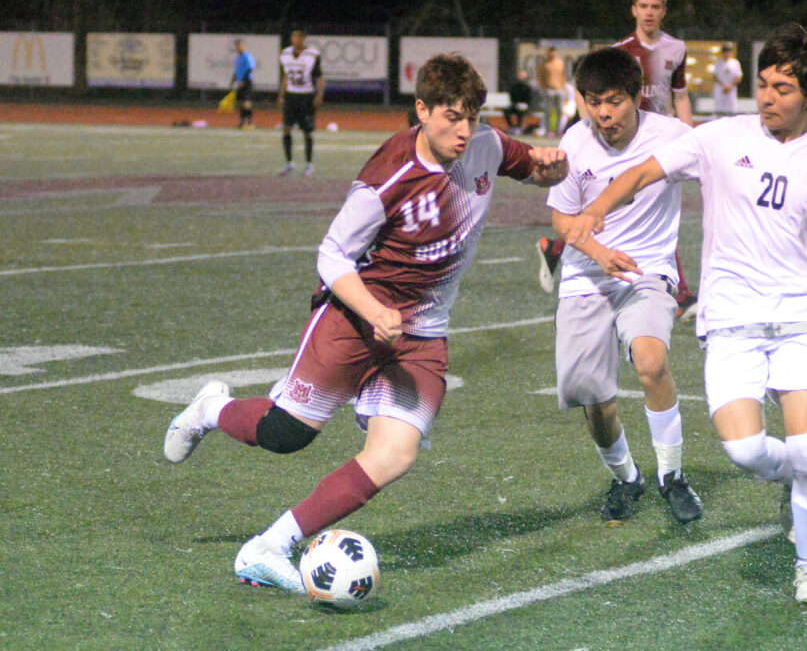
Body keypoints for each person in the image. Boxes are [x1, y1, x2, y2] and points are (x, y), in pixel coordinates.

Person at [164, 53, 568, 594]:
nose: (465, 130)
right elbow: (332, 257)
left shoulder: (484, 144)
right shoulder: (388, 177)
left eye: (472, 115)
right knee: (287, 435)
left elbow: (528, 164)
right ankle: (211, 408)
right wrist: (375, 310)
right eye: (452, 116)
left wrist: (552, 169)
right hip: (355, 318)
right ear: (421, 110)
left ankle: (267, 546)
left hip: (422, 333)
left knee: (395, 453)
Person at [563, 23, 807, 604]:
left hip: (797, 316)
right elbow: (640, 173)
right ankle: (805, 478)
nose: (767, 97)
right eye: (763, 85)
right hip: (731, 320)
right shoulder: (718, 137)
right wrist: (598, 212)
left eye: (783, 88)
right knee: (745, 451)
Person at [548, 46, 702, 525]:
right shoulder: (575, 141)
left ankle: (672, 477)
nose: (603, 112)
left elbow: (720, 172)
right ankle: (627, 479)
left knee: (651, 361)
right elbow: (561, 217)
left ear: (636, 96)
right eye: (593, 101)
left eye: (613, 100)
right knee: (592, 399)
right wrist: (598, 253)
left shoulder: (673, 138)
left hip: (648, 271)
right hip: (585, 275)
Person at [537, 0, 697, 321]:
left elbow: (680, 95)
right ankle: (677, 292)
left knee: (652, 216)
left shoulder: (676, 49)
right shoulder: (620, 52)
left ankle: (557, 248)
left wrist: (689, 137)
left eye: (656, 7)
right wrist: (591, 129)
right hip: (616, 141)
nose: (649, 13)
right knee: (613, 217)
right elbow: (589, 90)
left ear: (664, 10)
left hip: (657, 143)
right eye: (643, 6)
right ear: (634, 10)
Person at [277, 30, 324, 177]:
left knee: (307, 132)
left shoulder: (312, 55)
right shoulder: (285, 54)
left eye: (297, 37)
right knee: (286, 129)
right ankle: (289, 162)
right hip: (291, 96)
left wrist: (319, 94)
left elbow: (319, 77)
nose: (294, 39)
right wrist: (282, 94)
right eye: (293, 36)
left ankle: (309, 164)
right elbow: (285, 76)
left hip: (306, 96)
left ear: (303, 39)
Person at [538, 47, 568, 137]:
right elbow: (540, 77)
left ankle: (558, 131)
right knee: (548, 111)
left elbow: (563, 76)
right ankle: (548, 131)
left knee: (559, 111)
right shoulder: (544, 64)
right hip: (549, 89)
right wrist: (544, 87)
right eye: (550, 52)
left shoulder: (560, 63)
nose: (552, 54)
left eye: (554, 52)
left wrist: (563, 88)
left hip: (559, 90)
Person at [712, 43, 743, 118]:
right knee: (719, 108)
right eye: (725, 52)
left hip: (731, 90)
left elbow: (738, 77)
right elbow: (714, 77)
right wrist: (724, 86)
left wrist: (730, 86)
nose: (726, 54)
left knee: (732, 109)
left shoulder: (735, 63)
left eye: (728, 52)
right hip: (720, 89)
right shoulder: (718, 63)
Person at [231, 39, 256, 130]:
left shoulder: (247, 56)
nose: (238, 48)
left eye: (240, 45)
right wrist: (233, 81)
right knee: (240, 103)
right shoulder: (238, 58)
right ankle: (242, 121)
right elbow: (237, 71)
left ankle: (250, 121)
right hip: (239, 82)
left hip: (247, 82)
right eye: (237, 46)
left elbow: (250, 69)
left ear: (244, 46)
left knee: (247, 103)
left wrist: (243, 81)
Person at [504, 68, 534, 135]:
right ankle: (511, 126)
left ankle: (519, 127)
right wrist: (515, 103)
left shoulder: (528, 87)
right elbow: (512, 96)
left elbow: (530, 98)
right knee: (507, 110)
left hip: (525, 105)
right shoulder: (515, 86)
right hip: (516, 104)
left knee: (520, 111)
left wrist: (525, 104)